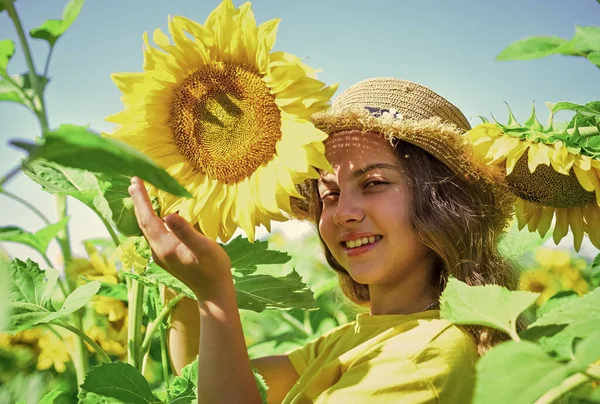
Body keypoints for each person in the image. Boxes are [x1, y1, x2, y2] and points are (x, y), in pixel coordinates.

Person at [128, 77, 519, 403]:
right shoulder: (356, 339)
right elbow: (207, 378)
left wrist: (215, 291)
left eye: (374, 183)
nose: (343, 211)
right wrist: (185, 276)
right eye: (328, 193)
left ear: (442, 201)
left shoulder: (426, 353)